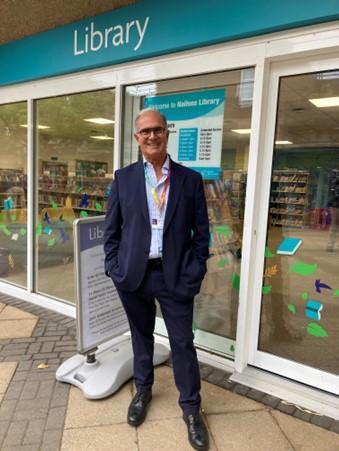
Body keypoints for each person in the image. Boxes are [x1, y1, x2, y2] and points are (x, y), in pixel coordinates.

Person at [104, 108, 210, 450]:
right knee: (141, 337)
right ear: (137, 138)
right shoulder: (123, 179)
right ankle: (143, 391)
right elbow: (112, 231)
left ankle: (192, 409)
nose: (151, 136)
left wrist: (196, 269)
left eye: (157, 130)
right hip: (133, 274)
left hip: (175, 274)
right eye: (145, 131)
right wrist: (113, 267)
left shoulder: (189, 180)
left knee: (182, 343)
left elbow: (202, 235)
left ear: (167, 133)